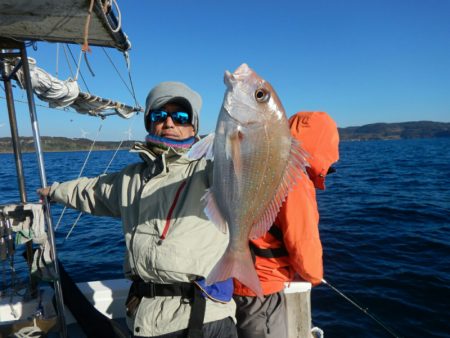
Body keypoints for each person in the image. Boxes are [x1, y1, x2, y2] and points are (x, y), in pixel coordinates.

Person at [38, 82, 237, 338]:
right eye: (159, 115)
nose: (169, 123)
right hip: (146, 319)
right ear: (148, 123)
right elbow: (90, 191)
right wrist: (52, 191)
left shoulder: (209, 169)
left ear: (194, 125)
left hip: (205, 317)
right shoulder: (129, 179)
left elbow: (242, 169)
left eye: (180, 116)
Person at [232, 111, 340, 338]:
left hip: (235, 280)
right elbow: (302, 241)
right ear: (321, 149)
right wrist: (313, 276)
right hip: (262, 288)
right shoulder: (296, 178)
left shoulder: (260, 163)